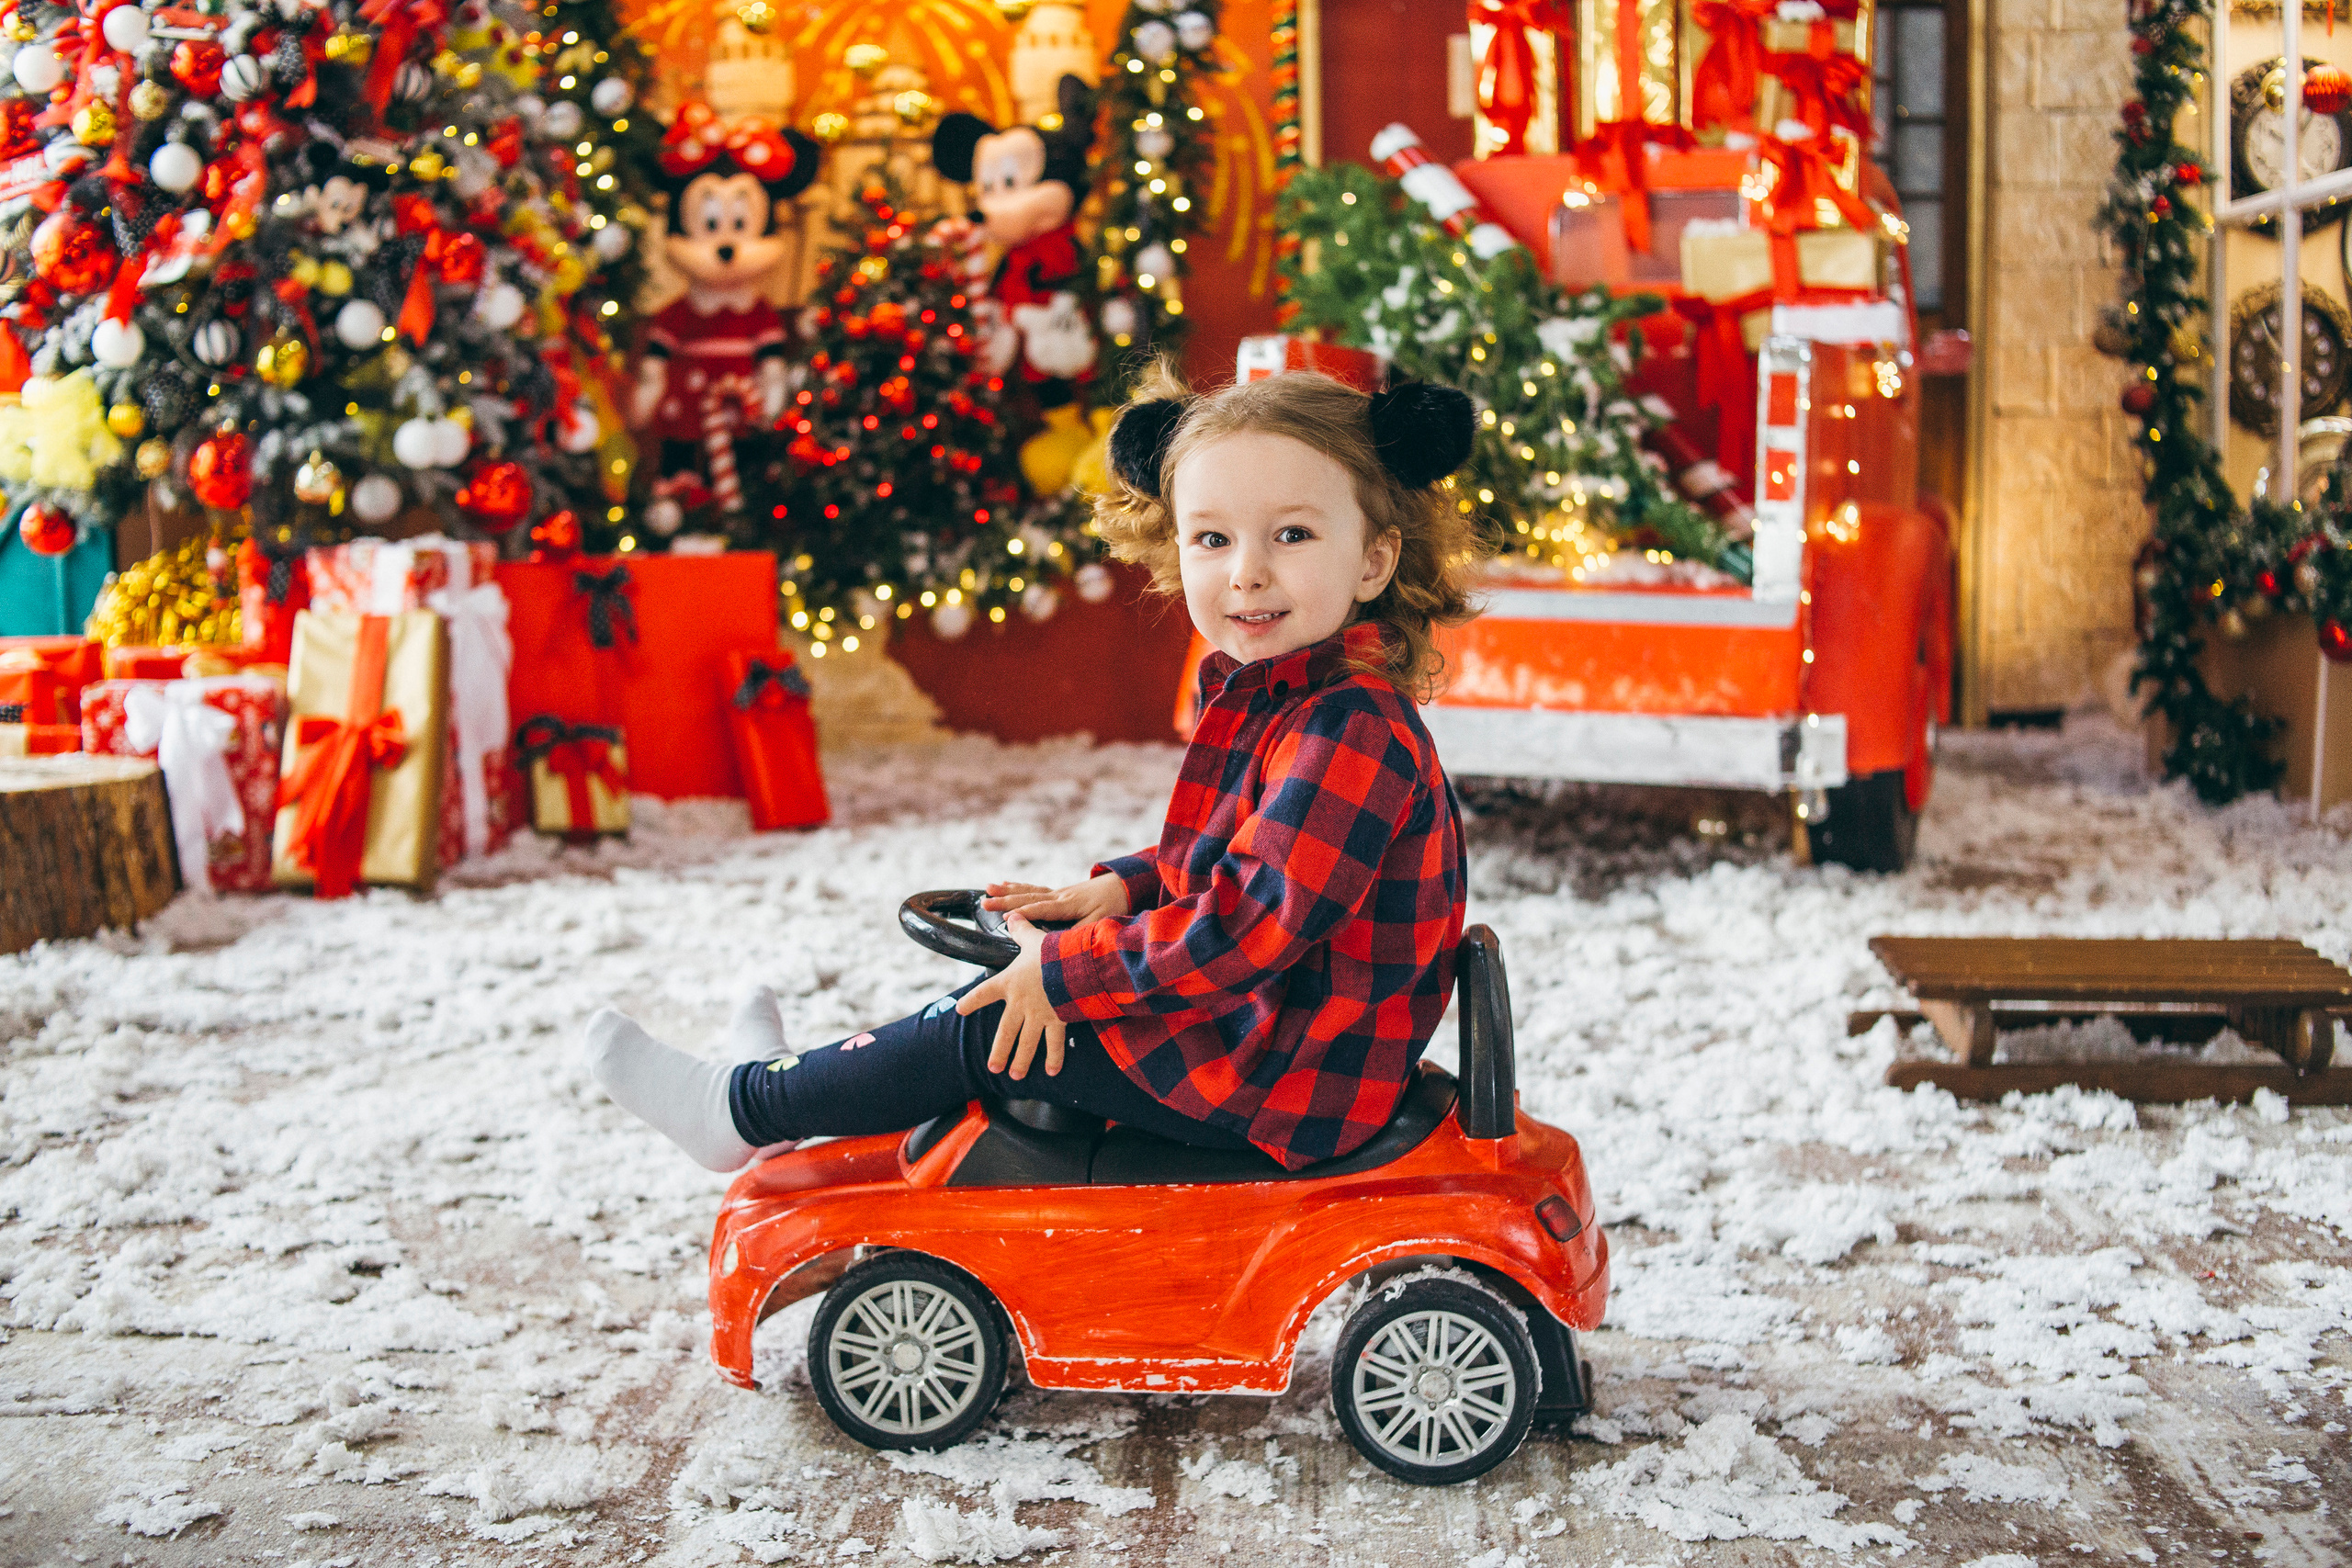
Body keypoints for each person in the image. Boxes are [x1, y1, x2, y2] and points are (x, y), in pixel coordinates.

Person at [584, 366, 1486, 1173]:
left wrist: (1066, 972)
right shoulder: (1283, 695)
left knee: (987, 1026)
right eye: (1212, 540)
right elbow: (1233, 854)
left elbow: (1242, 928)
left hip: (1275, 1077)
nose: (1245, 574)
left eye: (1290, 535)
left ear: (1373, 560)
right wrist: (1122, 893)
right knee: (1007, 991)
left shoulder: (1351, 734)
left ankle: (740, 1110)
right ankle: (773, 1091)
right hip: (1259, 1026)